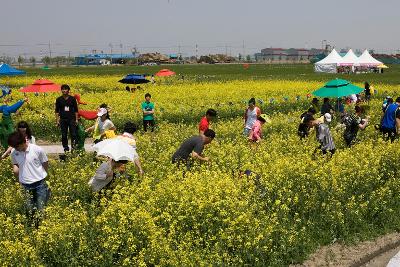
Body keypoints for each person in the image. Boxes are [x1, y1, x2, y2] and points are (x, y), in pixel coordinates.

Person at [8, 131, 50, 220]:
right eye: (14, 147)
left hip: (40, 184)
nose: (16, 148)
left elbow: (45, 163)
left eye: (17, 146)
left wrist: (42, 174)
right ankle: (33, 227)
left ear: (23, 142)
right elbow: (15, 164)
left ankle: (42, 228)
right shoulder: (14, 152)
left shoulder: (37, 149)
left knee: (41, 208)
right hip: (25, 185)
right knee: (29, 209)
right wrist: (15, 169)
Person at [55, 84, 79, 152]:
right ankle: (66, 148)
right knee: (64, 135)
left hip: (71, 119)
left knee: (73, 134)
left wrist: (76, 119)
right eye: (63, 89)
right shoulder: (59, 99)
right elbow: (57, 111)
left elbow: (76, 110)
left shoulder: (72, 99)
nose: (64, 90)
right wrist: (57, 120)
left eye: (65, 89)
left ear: (68, 90)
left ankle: (74, 147)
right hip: (63, 119)